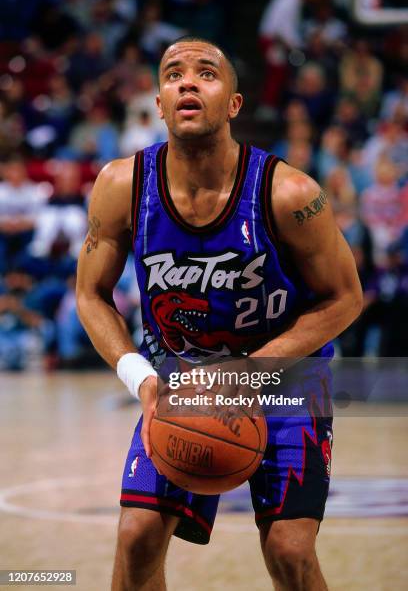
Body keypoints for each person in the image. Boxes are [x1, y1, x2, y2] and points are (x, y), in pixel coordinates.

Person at [76, 36, 363, 591]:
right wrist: (141, 377)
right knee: (136, 537)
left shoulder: (289, 193)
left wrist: (252, 369)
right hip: (183, 379)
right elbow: (90, 294)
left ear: (233, 103)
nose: (186, 81)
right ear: (158, 104)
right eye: (172, 74)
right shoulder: (120, 186)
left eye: (206, 73)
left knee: (289, 551)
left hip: (287, 381)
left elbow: (346, 297)